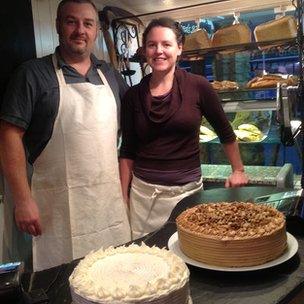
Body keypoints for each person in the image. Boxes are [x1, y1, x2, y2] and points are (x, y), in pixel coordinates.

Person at [0, 0, 131, 272]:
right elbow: (9, 136)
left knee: (113, 278)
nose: (80, 30)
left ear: (95, 30)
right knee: (63, 282)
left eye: (88, 23)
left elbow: (135, 126)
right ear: (58, 26)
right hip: (57, 209)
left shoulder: (109, 74)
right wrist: (23, 200)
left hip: (107, 203)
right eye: (71, 22)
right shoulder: (31, 74)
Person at [119, 17, 249, 240]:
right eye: (152, 45)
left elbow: (225, 132)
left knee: (189, 259)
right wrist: (122, 196)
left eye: (166, 44)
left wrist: (238, 170)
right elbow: (128, 150)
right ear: (145, 50)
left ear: (179, 48)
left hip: (187, 197)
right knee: (148, 265)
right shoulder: (133, 96)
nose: (159, 50)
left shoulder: (198, 86)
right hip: (144, 198)